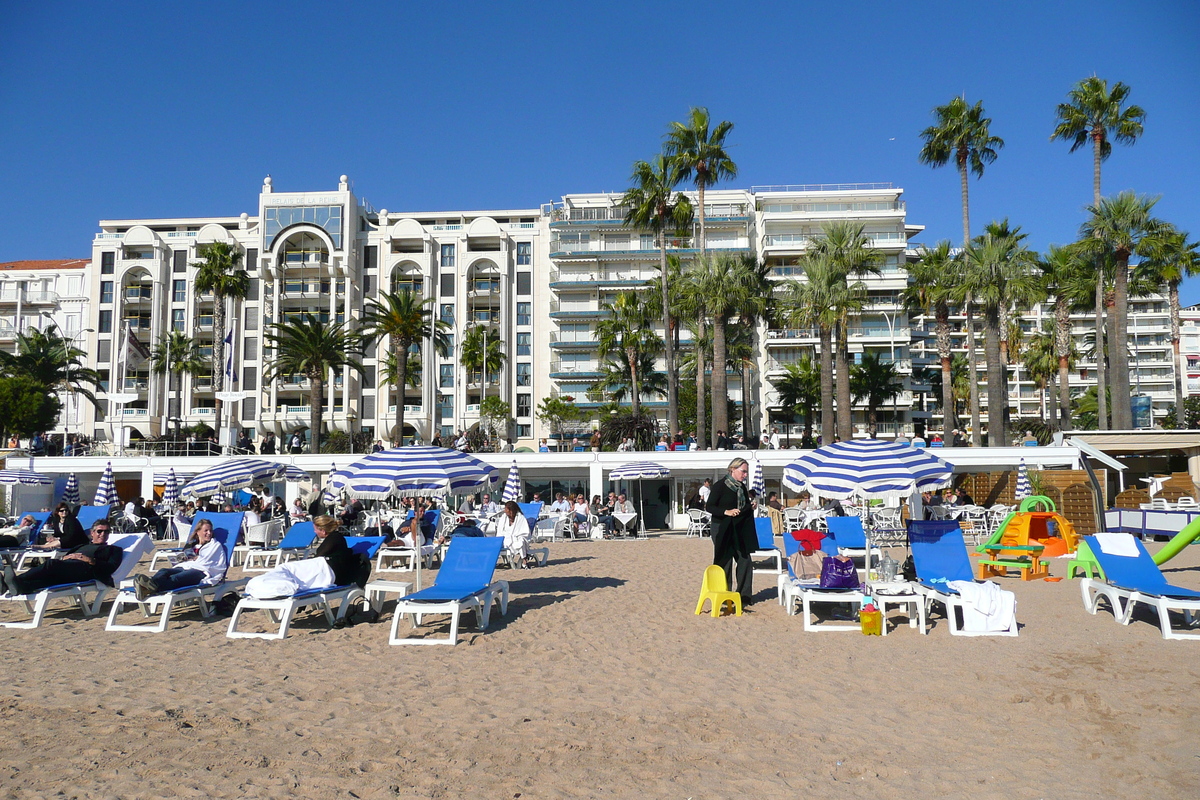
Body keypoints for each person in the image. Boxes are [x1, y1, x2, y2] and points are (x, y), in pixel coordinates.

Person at [244, 515, 360, 598]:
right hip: (327, 568)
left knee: (287, 568)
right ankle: (269, 583)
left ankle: (270, 584)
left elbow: (319, 555)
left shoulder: (334, 538)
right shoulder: (336, 538)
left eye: (316, 530)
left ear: (323, 531)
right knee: (287, 568)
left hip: (326, 570)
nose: (315, 532)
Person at [2, 520, 124, 596]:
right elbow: (66, 554)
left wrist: (89, 560)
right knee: (49, 579)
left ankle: (13, 581)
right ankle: (18, 586)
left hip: (86, 571)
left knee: (51, 564)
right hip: (69, 568)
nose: (103, 534)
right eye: (99, 531)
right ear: (92, 533)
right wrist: (66, 558)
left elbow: (111, 567)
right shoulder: (82, 545)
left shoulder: (114, 550)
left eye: (106, 532)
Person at [131, 517, 227, 600]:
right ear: (198, 532)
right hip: (187, 566)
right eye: (206, 531)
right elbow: (183, 557)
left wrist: (196, 559)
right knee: (163, 571)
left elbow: (209, 561)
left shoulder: (214, 545)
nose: (209, 533)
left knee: (175, 578)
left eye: (210, 530)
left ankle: (148, 588)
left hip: (202, 570)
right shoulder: (191, 545)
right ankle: (150, 586)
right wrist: (182, 558)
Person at [706, 458, 757, 608]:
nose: (745, 475)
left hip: (738, 528)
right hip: (721, 527)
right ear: (732, 469)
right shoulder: (720, 486)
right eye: (743, 471)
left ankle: (744, 596)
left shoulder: (741, 487)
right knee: (725, 560)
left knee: (745, 559)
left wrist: (750, 506)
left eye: (746, 472)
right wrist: (725, 511)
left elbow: (742, 507)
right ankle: (724, 596)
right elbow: (710, 507)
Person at [496, 500, 536, 567]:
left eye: (506, 509)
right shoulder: (503, 518)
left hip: (517, 537)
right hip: (506, 538)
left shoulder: (520, 518)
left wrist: (514, 536)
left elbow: (525, 531)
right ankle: (505, 561)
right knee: (501, 542)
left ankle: (524, 559)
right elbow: (500, 531)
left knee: (521, 540)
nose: (504, 510)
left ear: (511, 510)